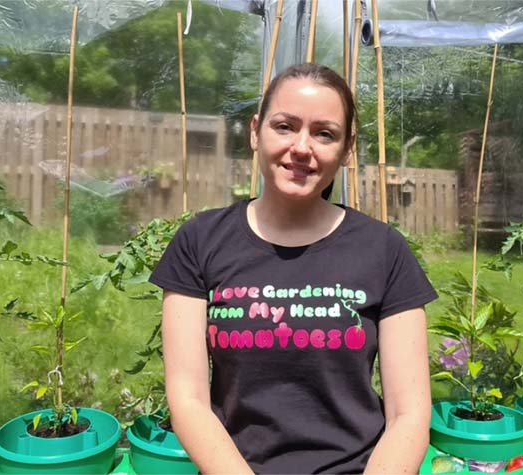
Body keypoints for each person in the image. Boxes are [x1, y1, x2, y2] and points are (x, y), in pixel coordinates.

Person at [150, 63, 437, 474]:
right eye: (285, 126)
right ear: (255, 131)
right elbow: (188, 399)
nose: (302, 147)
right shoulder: (200, 241)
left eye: (324, 133)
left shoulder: (384, 250)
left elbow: (409, 413)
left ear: (347, 149)